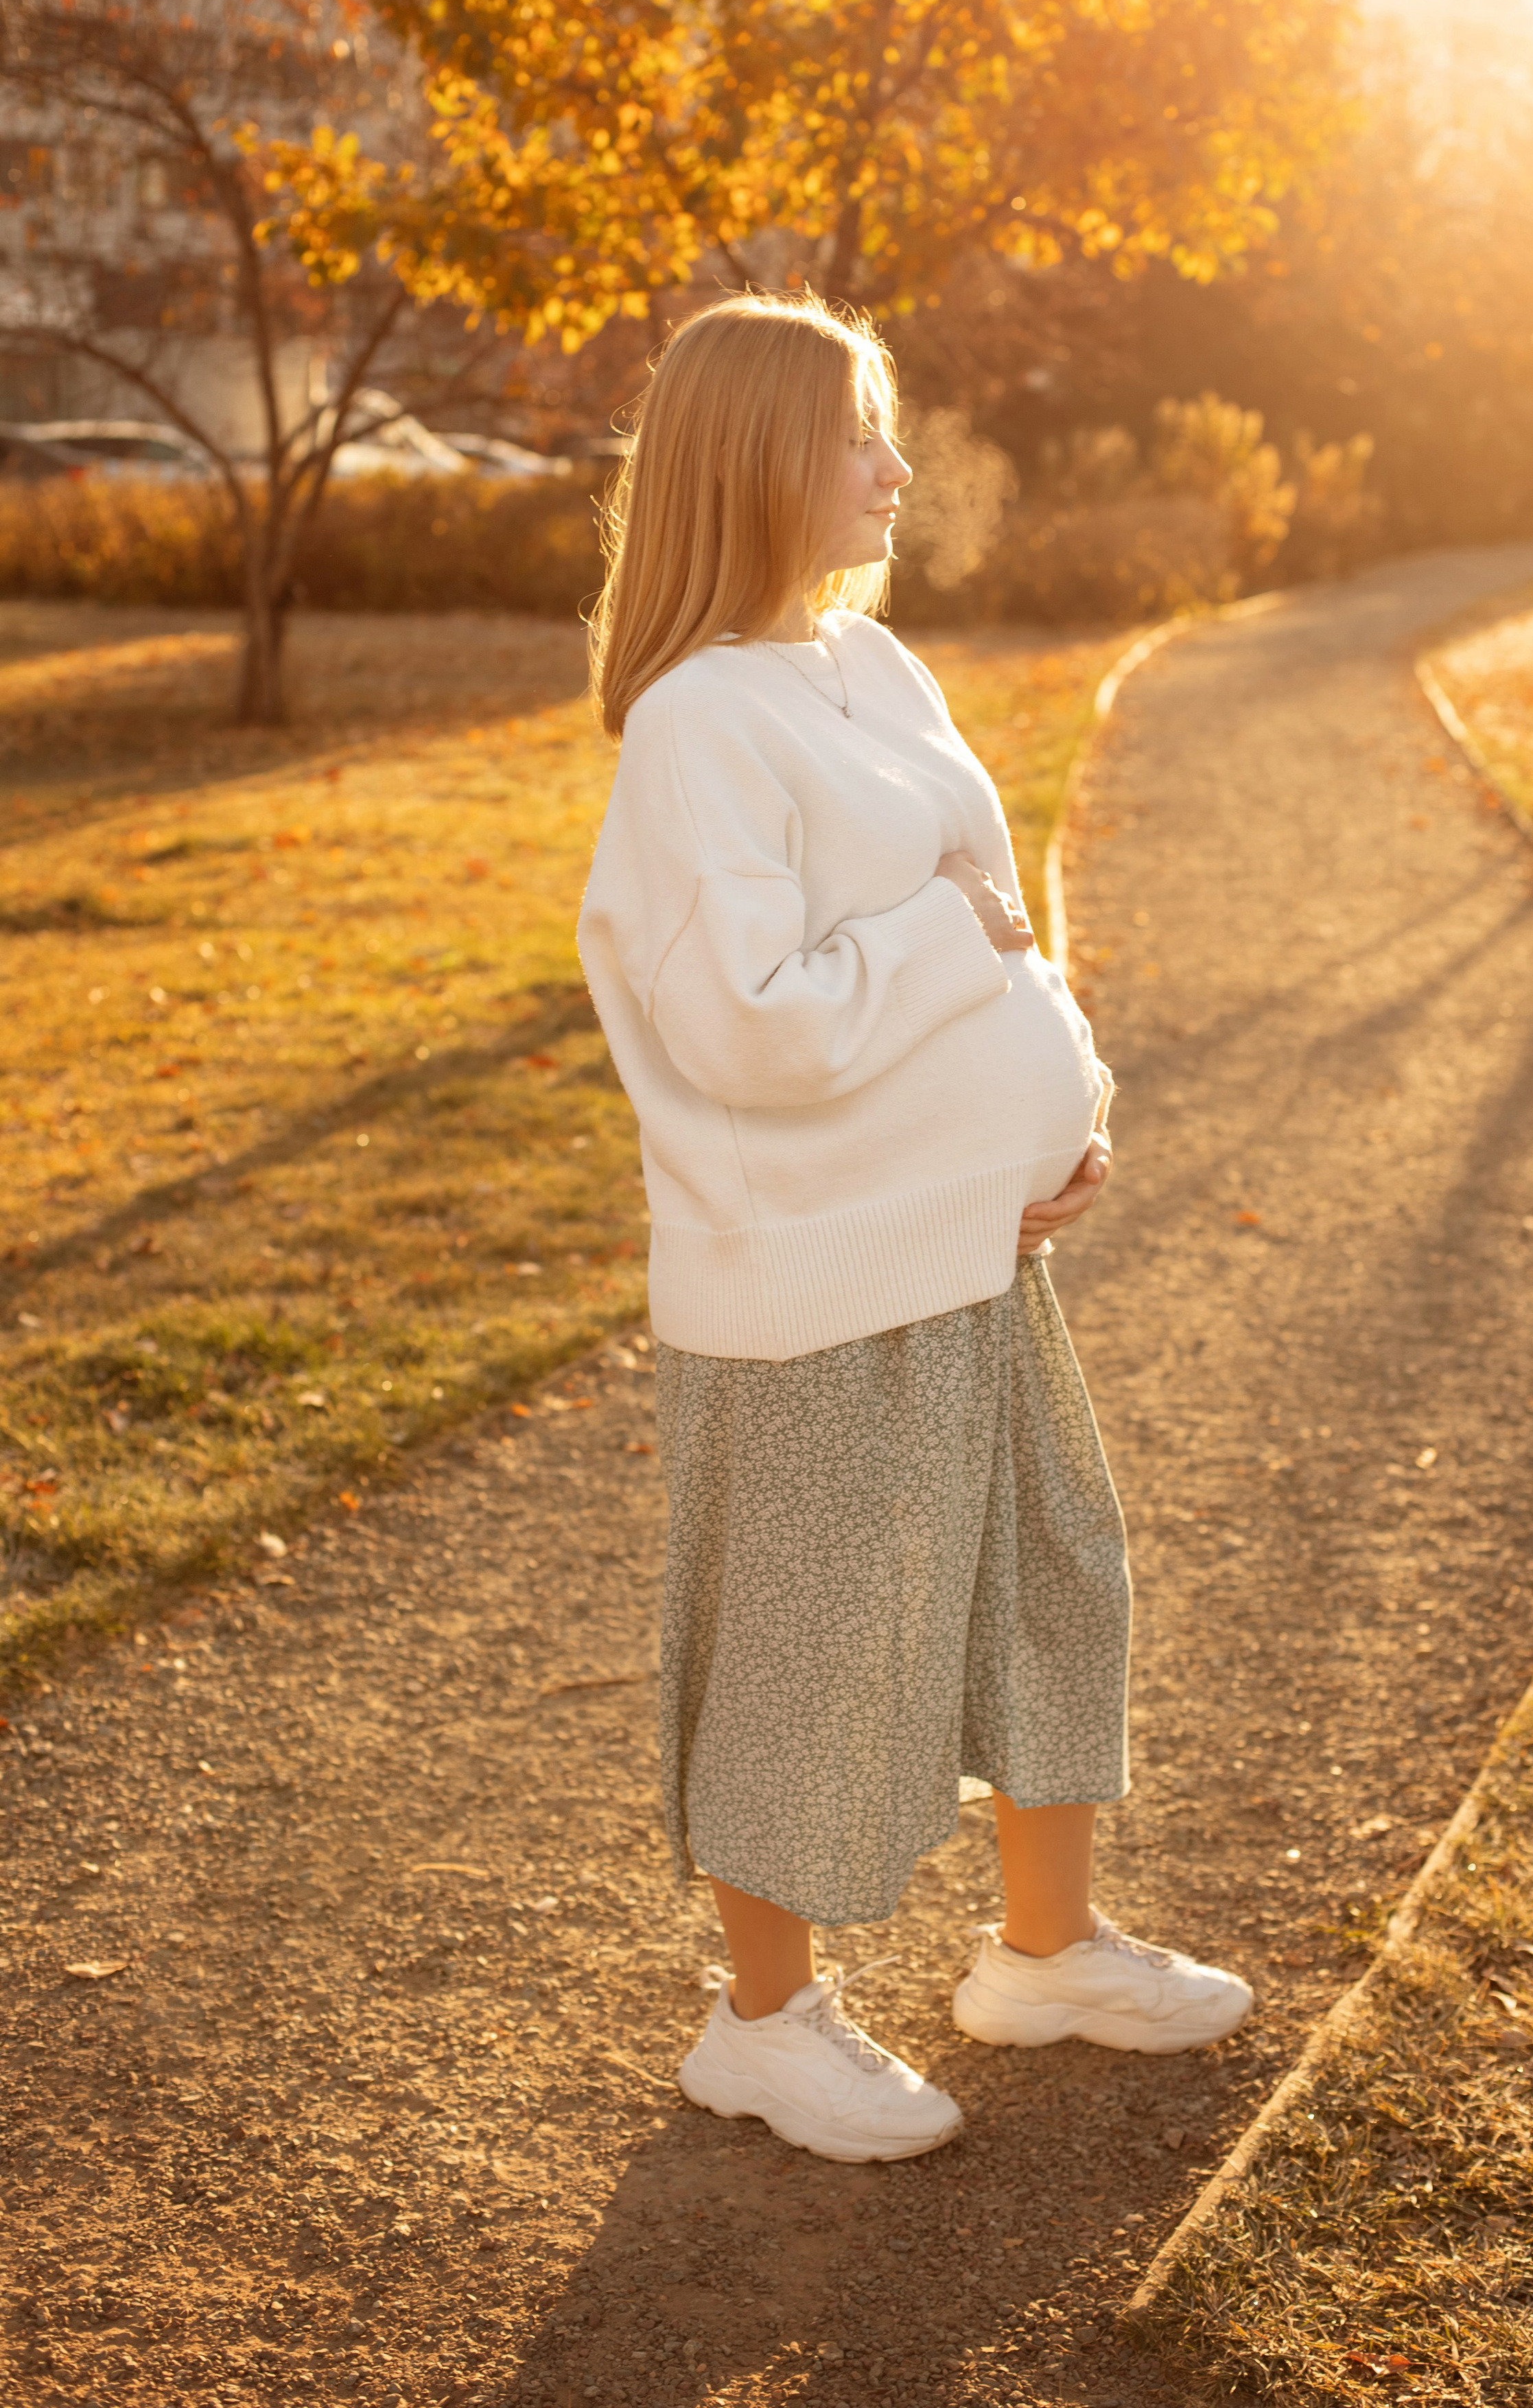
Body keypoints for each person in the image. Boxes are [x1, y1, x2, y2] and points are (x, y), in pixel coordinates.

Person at [577, 290, 1252, 2166]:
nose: (895, 464)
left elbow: (1005, 918)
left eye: (888, 425)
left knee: (1055, 1573)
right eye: (855, 432)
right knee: (810, 1641)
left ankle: (1045, 1953)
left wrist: (1063, 1114)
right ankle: (763, 2024)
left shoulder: (875, 671)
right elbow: (750, 1021)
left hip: (975, 1244)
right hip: (813, 1279)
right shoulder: (703, 724)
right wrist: (953, 949)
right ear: (755, 463)